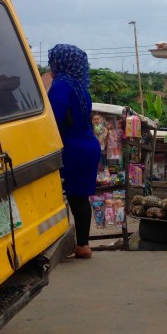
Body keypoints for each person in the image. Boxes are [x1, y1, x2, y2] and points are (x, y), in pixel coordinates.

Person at [47, 44, 101, 259]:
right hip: (88, 147)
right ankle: (83, 245)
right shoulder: (80, 87)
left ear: (60, 62)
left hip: (72, 148)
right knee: (79, 198)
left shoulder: (60, 85)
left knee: (56, 194)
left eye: (53, 60)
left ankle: (60, 242)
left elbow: (54, 120)